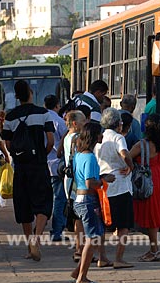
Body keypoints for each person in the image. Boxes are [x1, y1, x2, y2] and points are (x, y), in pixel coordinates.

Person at [2, 80, 54, 261]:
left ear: (16, 96)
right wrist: (41, 154)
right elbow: (50, 141)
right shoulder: (43, 113)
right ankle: (37, 240)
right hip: (39, 165)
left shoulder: (10, 116)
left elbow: (8, 144)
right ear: (31, 92)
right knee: (43, 203)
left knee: (23, 206)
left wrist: (18, 155)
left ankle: (28, 244)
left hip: (21, 166)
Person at [70, 122, 115, 283]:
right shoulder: (89, 157)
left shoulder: (79, 155)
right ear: (95, 136)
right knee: (93, 238)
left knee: (93, 237)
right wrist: (104, 180)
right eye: (101, 133)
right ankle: (82, 276)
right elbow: (90, 182)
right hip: (88, 200)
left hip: (79, 199)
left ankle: (79, 271)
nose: (103, 135)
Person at [130, 113, 160, 262]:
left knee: (151, 217)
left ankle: (155, 251)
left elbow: (127, 157)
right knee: (155, 215)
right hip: (159, 179)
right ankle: (153, 249)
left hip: (146, 181)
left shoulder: (141, 144)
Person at [96, 108, 135, 269]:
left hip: (103, 185)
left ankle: (102, 257)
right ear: (118, 124)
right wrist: (130, 166)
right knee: (123, 225)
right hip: (120, 185)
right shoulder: (118, 137)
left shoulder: (100, 137)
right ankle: (119, 258)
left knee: (102, 226)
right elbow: (124, 153)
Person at [58, 110, 87, 263]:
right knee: (82, 216)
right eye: (83, 121)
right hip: (77, 181)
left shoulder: (67, 137)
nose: (85, 124)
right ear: (75, 123)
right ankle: (81, 250)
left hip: (69, 180)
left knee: (77, 217)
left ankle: (79, 248)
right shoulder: (77, 138)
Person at [43, 95, 68, 242]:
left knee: (45, 198)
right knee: (59, 199)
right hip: (56, 165)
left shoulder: (40, 120)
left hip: (42, 164)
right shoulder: (59, 121)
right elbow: (63, 142)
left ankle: (40, 226)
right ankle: (57, 231)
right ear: (57, 106)